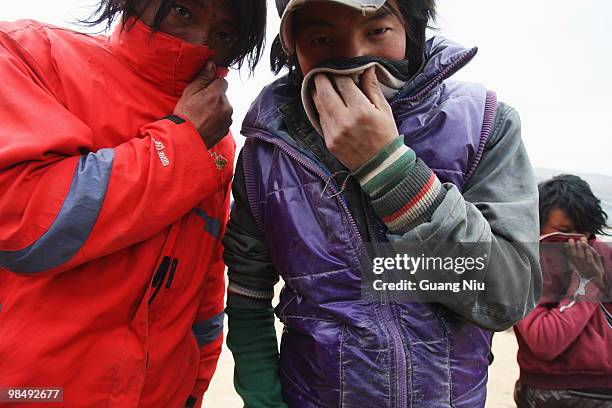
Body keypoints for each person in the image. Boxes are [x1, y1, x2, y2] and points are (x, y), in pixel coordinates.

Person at [222, 0, 541, 406]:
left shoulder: (483, 125)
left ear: (410, 26)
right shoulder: (266, 152)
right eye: (322, 38)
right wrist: (263, 399)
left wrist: (389, 170)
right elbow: (249, 292)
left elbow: (506, 299)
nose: (355, 57)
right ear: (292, 49)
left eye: (377, 32)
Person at [0, 1, 265, 406]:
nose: (200, 43)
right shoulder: (31, 52)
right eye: (183, 11)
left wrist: (193, 389)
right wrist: (183, 141)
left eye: (224, 35)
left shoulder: (221, 143)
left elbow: (205, 285)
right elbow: (23, 224)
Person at [514, 175, 612, 407]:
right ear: (536, 224)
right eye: (563, 232)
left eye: (584, 234)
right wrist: (587, 282)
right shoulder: (525, 265)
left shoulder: (602, 255)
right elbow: (545, 341)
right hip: (552, 392)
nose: (575, 243)